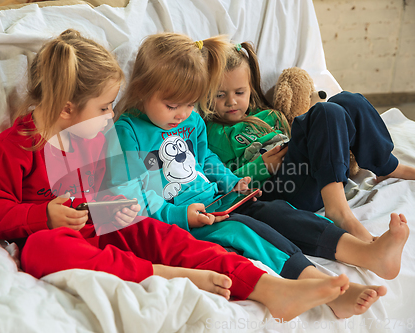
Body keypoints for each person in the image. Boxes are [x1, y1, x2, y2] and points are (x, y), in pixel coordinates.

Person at [0, 29, 351, 322]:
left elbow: (114, 191)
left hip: (106, 226)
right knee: (42, 249)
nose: (109, 117)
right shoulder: (8, 151)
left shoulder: (94, 137)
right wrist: (43, 216)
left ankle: (268, 287)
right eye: (103, 108)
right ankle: (165, 274)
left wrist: (115, 205)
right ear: (67, 108)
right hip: (59, 239)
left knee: (173, 236)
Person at [107, 32, 386, 319]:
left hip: (221, 201)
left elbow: (206, 160)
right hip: (184, 221)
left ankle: (361, 251)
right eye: (171, 105)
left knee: (277, 212)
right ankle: (319, 284)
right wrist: (182, 216)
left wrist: (231, 183)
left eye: (190, 104)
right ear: (142, 90)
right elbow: (135, 195)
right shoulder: (129, 131)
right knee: (244, 232)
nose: (182, 114)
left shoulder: (191, 120)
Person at [206, 41, 414, 244]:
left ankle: (386, 166)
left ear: (250, 88)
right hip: (278, 190)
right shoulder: (212, 133)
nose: (231, 101)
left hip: (314, 175)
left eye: (239, 92)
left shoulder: (268, 115)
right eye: (220, 95)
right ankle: (339, 211)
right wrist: (261, 167)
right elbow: (219, 185)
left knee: (348, 100)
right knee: (325, 111)